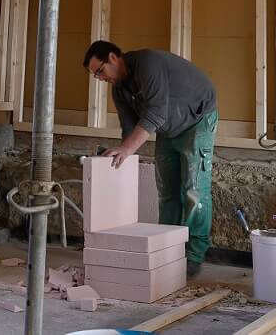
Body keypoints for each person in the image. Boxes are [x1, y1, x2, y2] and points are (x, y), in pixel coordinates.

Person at [82, 40, 218, 275]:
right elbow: (129, 128)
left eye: (100, 71)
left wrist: (126, 150)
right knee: (167, 191)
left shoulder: (148, 64)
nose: (101, 79)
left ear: (113, 57)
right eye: (96, 76)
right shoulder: (119, 89)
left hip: (197, 120)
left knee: (193, 190)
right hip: (168, 127)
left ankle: (195, 255)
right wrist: (115, 159)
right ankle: (169, 249)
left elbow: (155, 113)